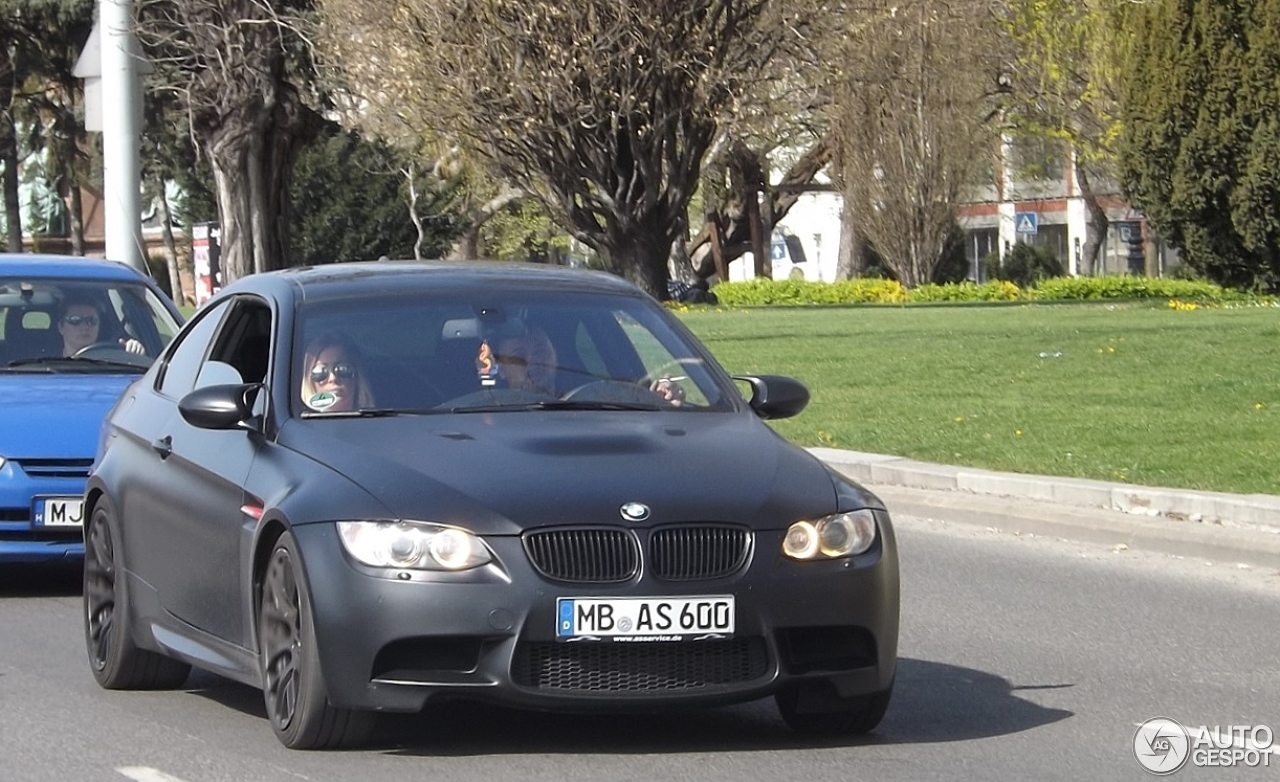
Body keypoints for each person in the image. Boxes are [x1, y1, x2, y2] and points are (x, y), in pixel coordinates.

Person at [299, 334, 375, 412]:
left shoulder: (375, 422)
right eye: (320, 371)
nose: (333, 378)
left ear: (357, 378)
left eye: (343, 369)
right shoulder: (297, 423)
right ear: (310, 382)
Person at [57, 295, 144, 357]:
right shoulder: (46, 363)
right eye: (75, 320)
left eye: (91, 320)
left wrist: (134, 350)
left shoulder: (115, 359)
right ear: (61, 327)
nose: (84, 327)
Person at [495, 328, 558, 395]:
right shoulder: (489, 404)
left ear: (556, 357)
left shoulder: (570, 399)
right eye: (520, 355)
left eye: (539, 351)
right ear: (501, 369)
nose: (532, 360)